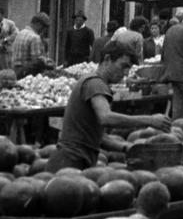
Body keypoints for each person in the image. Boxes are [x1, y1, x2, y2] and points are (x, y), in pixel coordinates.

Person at [49, 43, 172, 171]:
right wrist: (150, 120)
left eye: (129, 68)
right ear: (107, 59)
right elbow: (106, 117)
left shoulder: (93, 82)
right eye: (123, 66)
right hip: (70, 162)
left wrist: (127, 147)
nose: (126, 73)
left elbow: (98, 138)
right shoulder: (95, 83)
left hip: (73, 161)